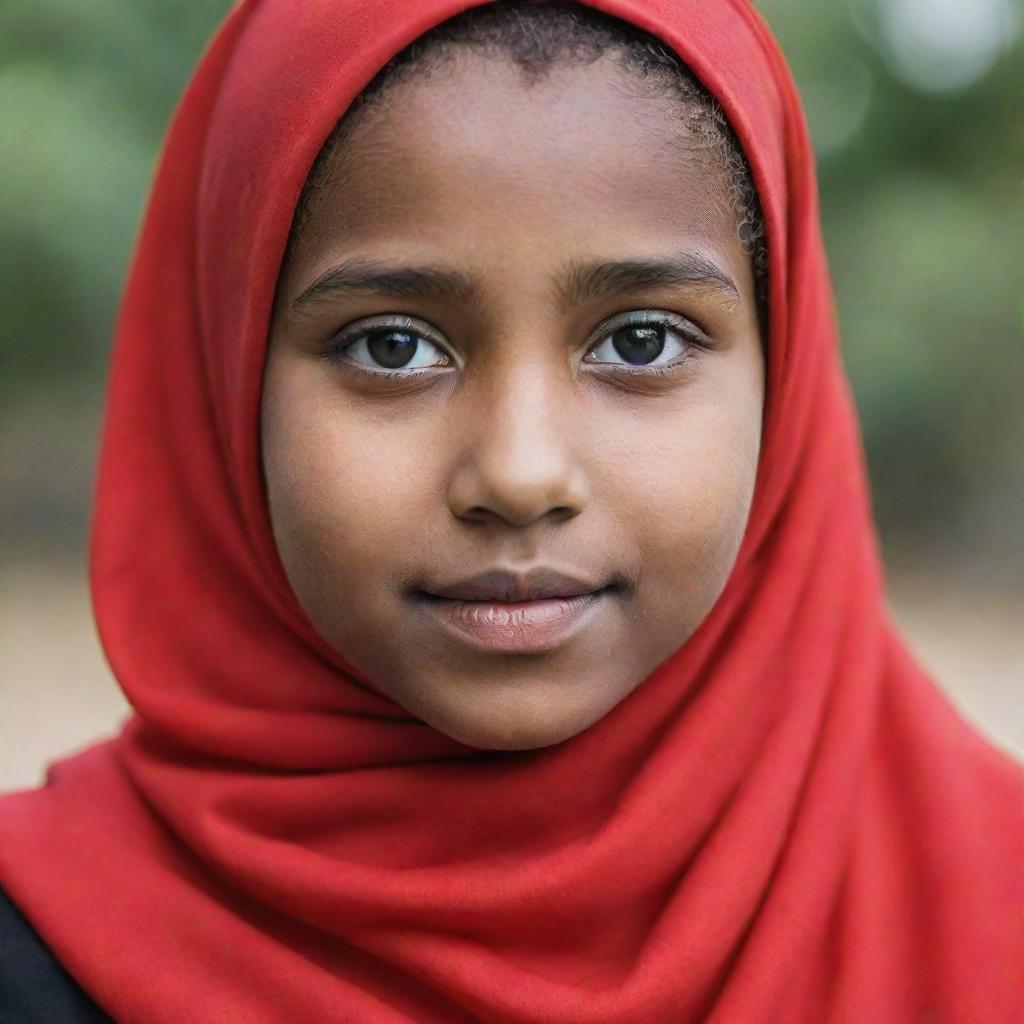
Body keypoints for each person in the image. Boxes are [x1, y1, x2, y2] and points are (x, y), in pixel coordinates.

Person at [0, 1, 1019, 1021]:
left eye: (640, 342)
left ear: (781, 373)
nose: (522, 473)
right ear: (226, 378)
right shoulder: (38, 948)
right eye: (391, 345)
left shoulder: (994, 910)